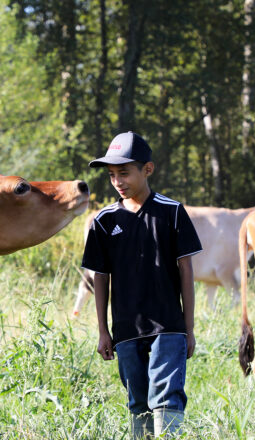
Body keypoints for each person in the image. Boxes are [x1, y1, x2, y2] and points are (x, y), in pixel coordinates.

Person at [81, 132, 201, 439]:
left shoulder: (172, 211)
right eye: (111, 175)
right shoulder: (103, 221)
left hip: (168, 327)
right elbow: (100, 276)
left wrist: (188, 328)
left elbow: (186, 269)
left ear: (147, 169)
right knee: (138, 402)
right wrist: (103, 330)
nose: (118, 181)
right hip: (125, 330)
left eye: (124, 173)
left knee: (166, 397)